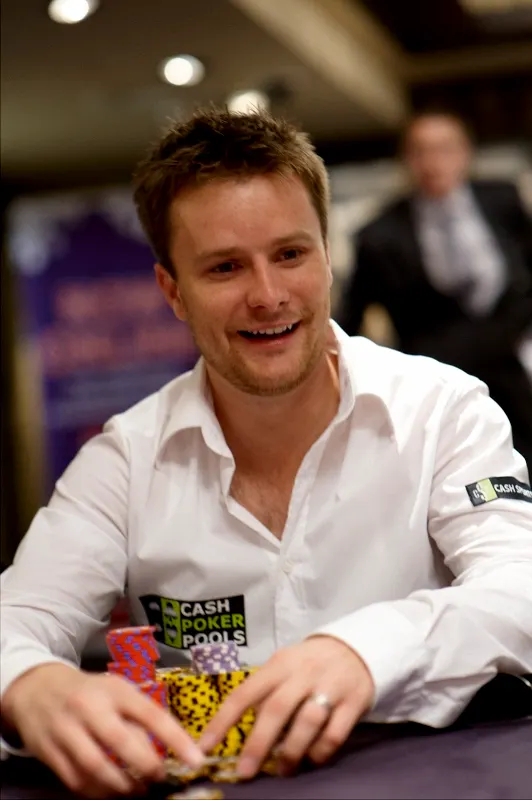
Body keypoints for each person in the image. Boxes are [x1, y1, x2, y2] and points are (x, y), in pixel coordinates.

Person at [1, 108, 531, 798]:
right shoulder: (125, 459)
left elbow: (519, 587)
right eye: (225, 267)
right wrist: (30, 683)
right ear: (173, 291)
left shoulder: (443, 410)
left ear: (327, 256)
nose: (269, 295)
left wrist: (366, 649)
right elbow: (19, 616)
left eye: (290, 254)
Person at [336, 110, 532, 472]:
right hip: (436, 376)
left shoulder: (502, 200)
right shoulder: (379, 235)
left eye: (444, 149)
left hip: (513, 365)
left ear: (465, 153)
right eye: (420, 151)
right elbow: (352, 317)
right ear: (406, 160)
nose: (433, 162)